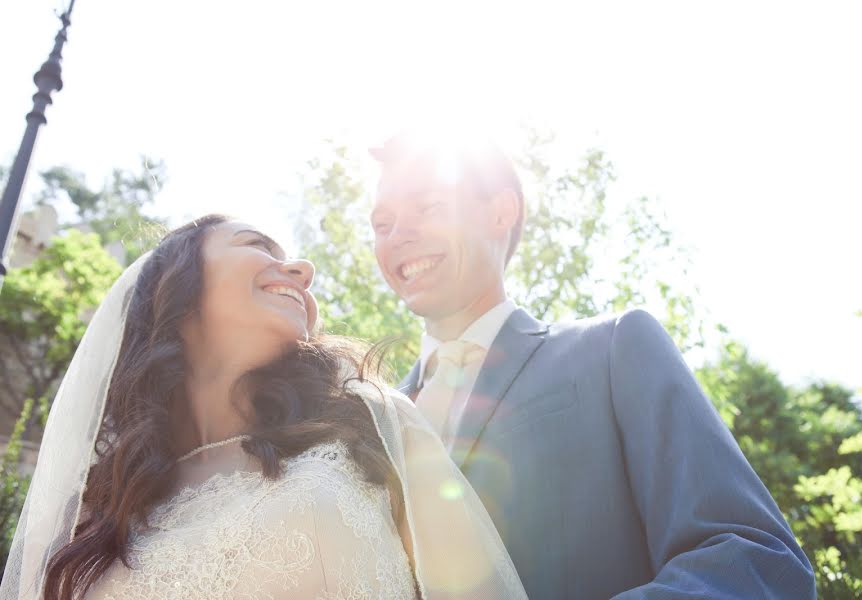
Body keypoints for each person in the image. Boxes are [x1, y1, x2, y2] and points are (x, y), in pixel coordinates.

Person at [369, 132, 818, 599]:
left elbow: (756, 560)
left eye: (428, 207)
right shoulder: (370, 424)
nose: (399, 236)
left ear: (501, 212)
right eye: (382, 224)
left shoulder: (614, 348)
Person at [0, 215, 526, 600]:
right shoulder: (98, 511)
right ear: (175, 289)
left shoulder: (370, 426)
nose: (303, 269)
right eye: (257, 245)